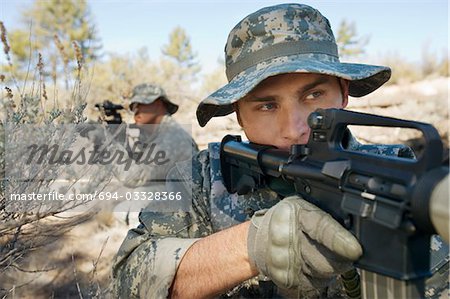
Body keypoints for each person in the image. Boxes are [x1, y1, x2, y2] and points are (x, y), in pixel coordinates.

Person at [112, 4, 448, 298]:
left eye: (313, 96)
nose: (294, 128)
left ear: (343, 93)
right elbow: (130, 282)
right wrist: (249, 248)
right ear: (239, 114)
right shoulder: (200, 179)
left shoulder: (398, 175)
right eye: (267, 105)